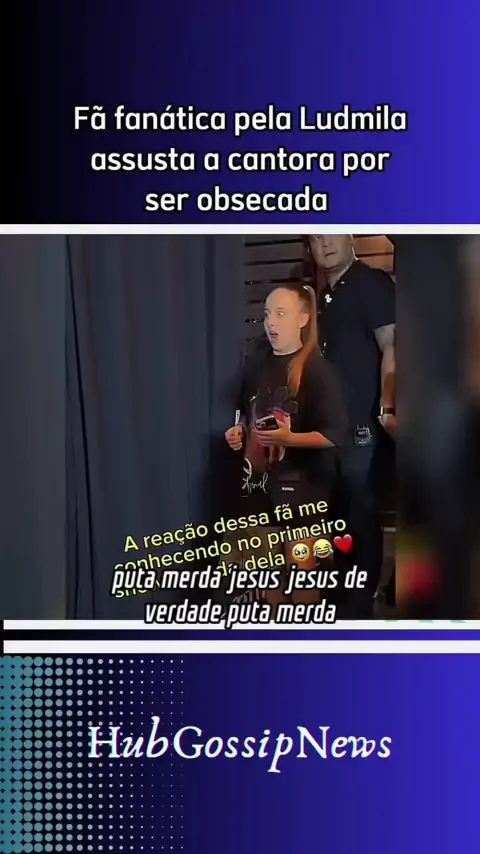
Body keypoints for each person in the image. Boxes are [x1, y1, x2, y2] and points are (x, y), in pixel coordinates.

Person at [224, 282, 348, 608]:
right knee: (269, 583)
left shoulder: (319, 371)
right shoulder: (255, 367)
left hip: (304, 496)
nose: (271, 322)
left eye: (281, 313)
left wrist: (289, 439)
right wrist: (238, 432)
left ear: (303, 319)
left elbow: (334, 435)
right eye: (267, 314)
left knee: (302, 579)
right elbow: (246, 416)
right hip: (258, 494)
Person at [307, 234, 396, 617]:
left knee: (361, 514)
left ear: (349, 237)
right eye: (315, 237)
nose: (324, 243)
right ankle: (342, 601)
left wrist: (388, 406)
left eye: (330, 233)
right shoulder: (321, 298)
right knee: (338, 517)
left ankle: (361, 606)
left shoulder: (371, 282)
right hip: (327, 430)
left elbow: (393, 345)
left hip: (363, 425)